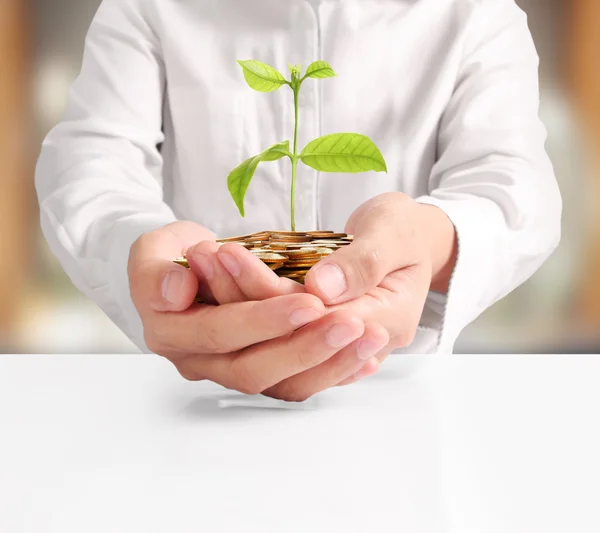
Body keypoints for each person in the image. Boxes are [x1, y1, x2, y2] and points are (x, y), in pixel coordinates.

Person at [35, 0, 561, 401]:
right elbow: (89, 164)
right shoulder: (148, 7)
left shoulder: (476, 13)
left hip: (396, 391)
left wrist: (429, 243)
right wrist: (139, 252)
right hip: (196, 394)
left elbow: (512, 186)